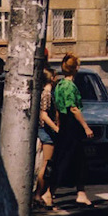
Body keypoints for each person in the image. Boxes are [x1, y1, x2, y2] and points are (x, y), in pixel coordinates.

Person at [49, 53, 94, 207]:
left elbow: (57, 108)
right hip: (71, 126)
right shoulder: (69, 86)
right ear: (75, 68)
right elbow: (73, 109)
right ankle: (50, 193)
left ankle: (80, 192)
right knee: (65, 159)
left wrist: (58, 124)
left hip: (64, 125)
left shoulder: (59, 84)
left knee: (76, 159)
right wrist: (86, 126)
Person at [34, 66, 59, 208]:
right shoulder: (47, 93)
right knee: (46, 164)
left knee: (46, 164)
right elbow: (44, 114)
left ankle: (40, 193)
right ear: (50, 78)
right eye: (55, 76)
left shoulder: (44, 92)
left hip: (43, 130)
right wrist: (56, 128)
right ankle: (39, 194)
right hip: (46, 131)